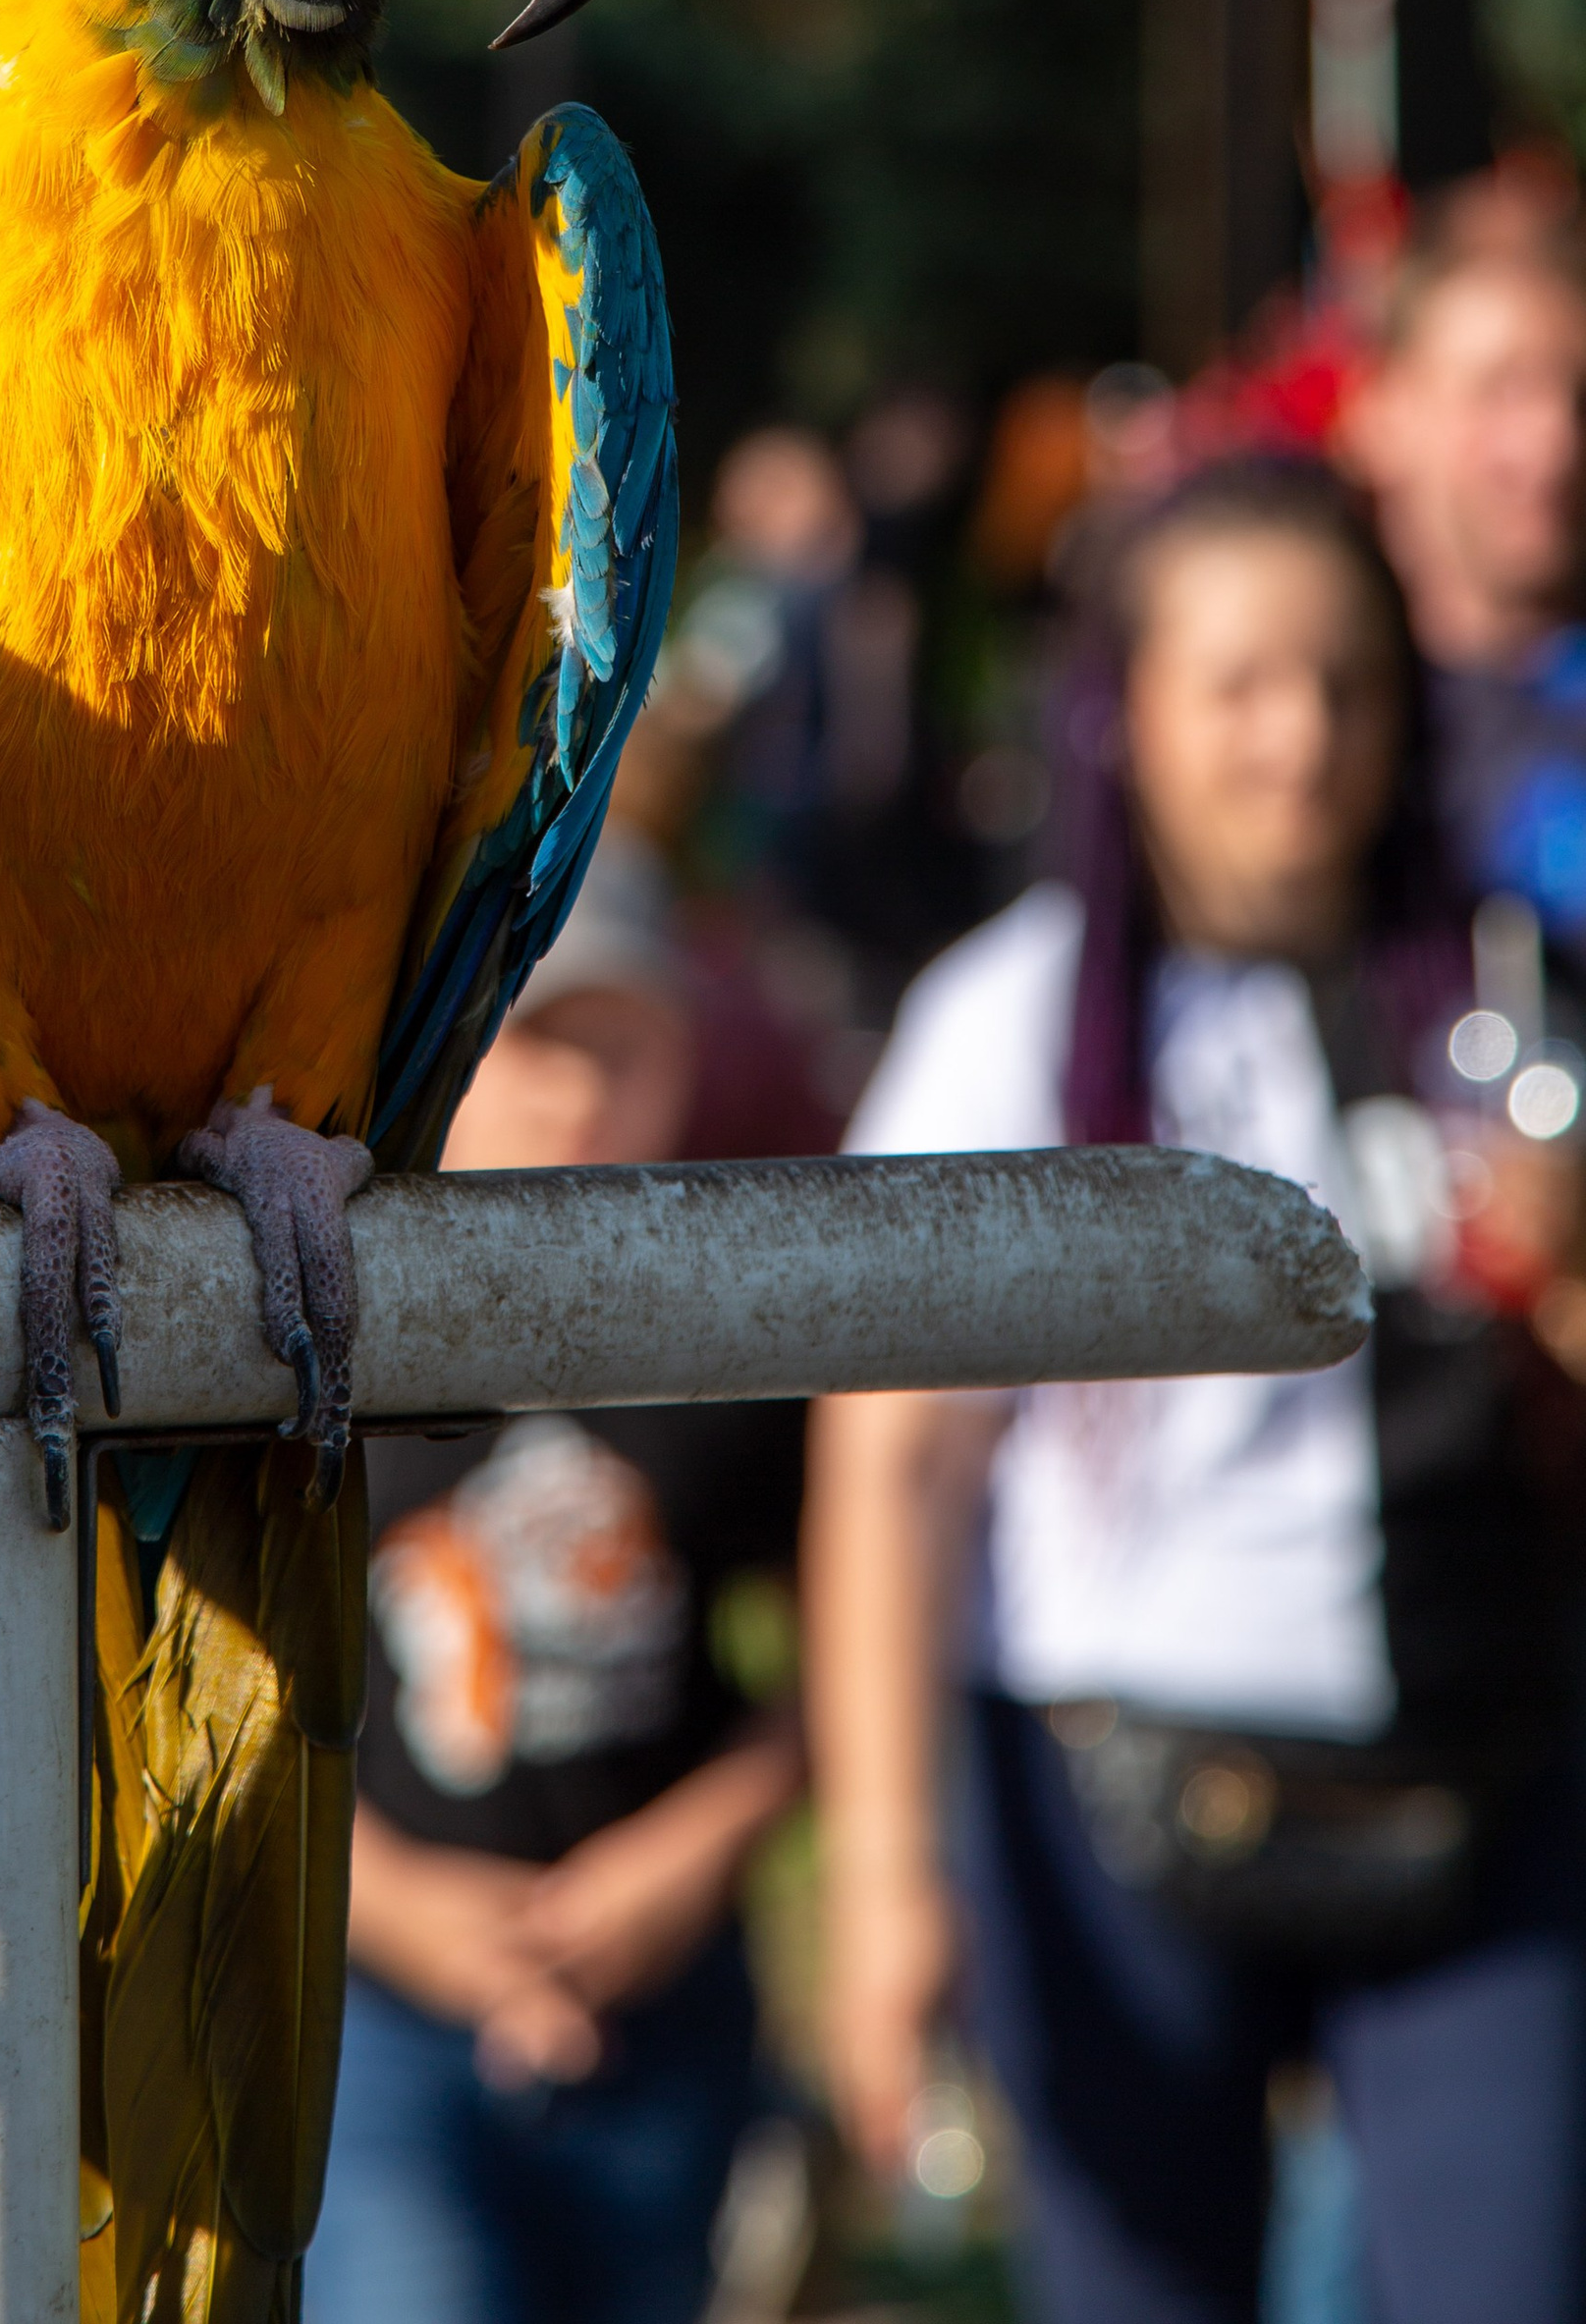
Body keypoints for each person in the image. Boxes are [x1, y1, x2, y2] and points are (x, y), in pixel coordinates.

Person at [807, 454, 1586, 2324]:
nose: (1298, 739)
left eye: (1345, 683)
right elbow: (892, 1465)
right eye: (1236, 685)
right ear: (1126, 716)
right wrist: (885, 1875)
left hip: (1480, 1786)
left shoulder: (1508, 993)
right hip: (1119, 1812)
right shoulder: (1012, 1019)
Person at [306, 845, 805, 2324]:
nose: (578, 1093)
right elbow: (207, 1676)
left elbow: (839, 1652)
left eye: (619, 1045)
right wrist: (387, 1905)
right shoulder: (323, 1330)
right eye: (534, 1039)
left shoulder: (720, 1336)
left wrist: (690, 1859)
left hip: (666, 2009)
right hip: (379, 2010)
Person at [1343, 207, 1586, 963]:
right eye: (1500, 390)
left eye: (1580, 395)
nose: (1552, 442)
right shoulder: (1322, 709)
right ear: (1383, 413)